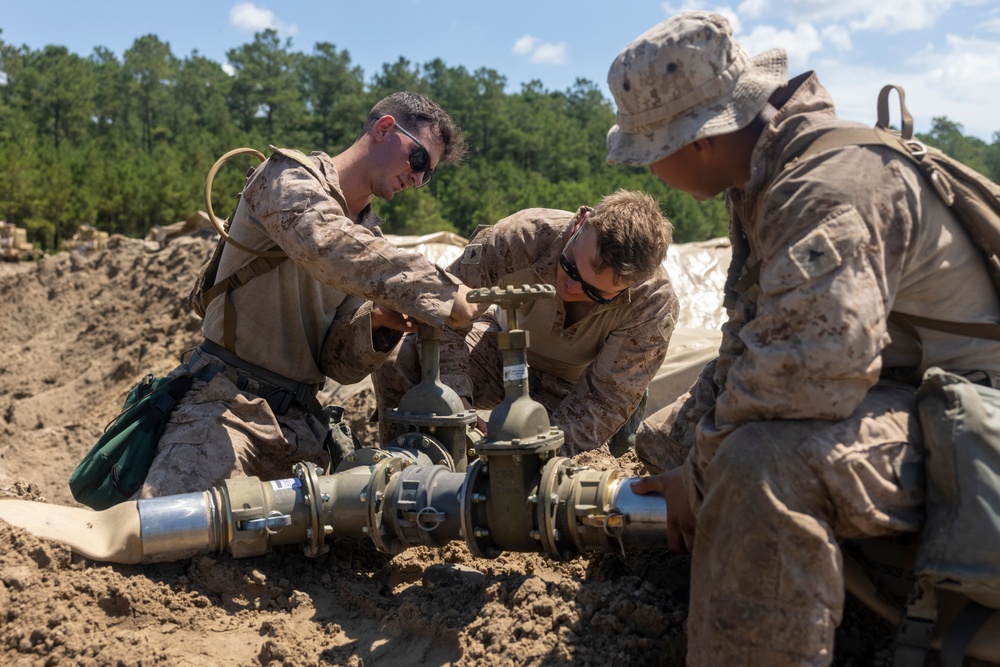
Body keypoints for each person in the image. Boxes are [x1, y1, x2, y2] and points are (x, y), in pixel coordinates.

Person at [606, 11, 1000, 666]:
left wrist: (701, 475)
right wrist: (689, 450)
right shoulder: (764, 176)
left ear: (701, 140)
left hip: (970, 419)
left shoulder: (826, 189)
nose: (651, 173)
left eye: (651, 155)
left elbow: (811, 368)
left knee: (757, 461)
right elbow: (751, 337)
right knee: (672, 433)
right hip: (899, 394)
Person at [137, 91, 479, 499]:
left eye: (428, 174)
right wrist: (438, 291)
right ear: (385, 129)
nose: (418, 179)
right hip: (226, 408)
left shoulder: (369, 241)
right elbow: (324, 244)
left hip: (301, 430)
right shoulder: (286, 177)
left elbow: (336, 363)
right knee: (174, 525)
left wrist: (377, 324)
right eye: (418, 159)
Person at [374, 189, 678, 455]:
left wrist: (535, 456)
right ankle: (402, 471)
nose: (569, 289)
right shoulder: (521, 238)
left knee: (578, 467)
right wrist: (458, 409)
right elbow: (447, 317)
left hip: (578, 388)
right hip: (502, 354)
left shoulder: (652, 302)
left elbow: (605, 399)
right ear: (581, 223)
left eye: (593, 293)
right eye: (570, 268)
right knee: (404, 359)